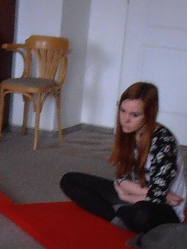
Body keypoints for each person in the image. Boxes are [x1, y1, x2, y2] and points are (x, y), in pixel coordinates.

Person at [59, 82, 185, 233]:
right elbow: (122, 179)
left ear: (149, 115)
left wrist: (128, 196)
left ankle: (121, 214)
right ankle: (118, 217)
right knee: (69, 180)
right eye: (123, 111)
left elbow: (155, 198)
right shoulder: (130, 132)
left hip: (163, 209)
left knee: (141, 214)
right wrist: (134, 192)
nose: (125, 120)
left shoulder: (164, 142)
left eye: (135, 115)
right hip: (142, 194)